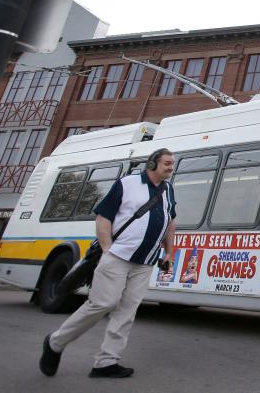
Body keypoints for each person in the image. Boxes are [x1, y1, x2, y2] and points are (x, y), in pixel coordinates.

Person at [39, 148, 177, 379]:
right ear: (152, 164)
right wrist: (107, 249)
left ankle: (106, 362)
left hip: (145, 263)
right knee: (102, 304)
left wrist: (169, 253)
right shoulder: (128, 184)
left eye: (172, 163)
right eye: (167, 163)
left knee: (127, 311)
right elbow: (104, 217)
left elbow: (170, 222)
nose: (171, 167)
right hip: (118, 257)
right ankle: (55, 342)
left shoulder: (169, 190)